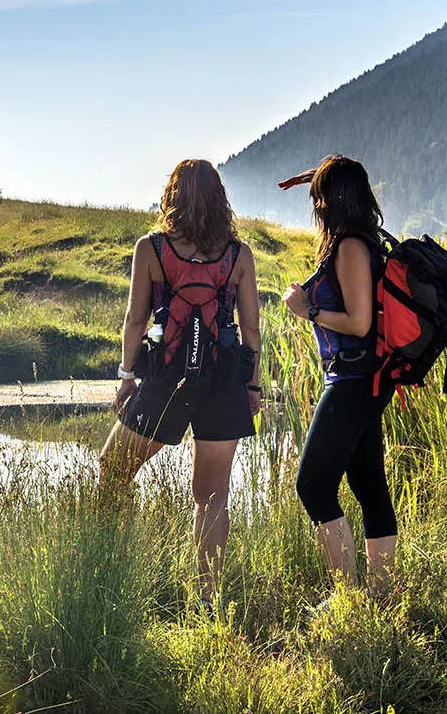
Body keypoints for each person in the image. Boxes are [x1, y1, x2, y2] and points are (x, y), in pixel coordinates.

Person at [101, 159, 263, 609]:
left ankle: (111, 573)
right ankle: (207, 601)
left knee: (113, 471)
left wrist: (127, 376)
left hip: (165, 380)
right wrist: (252, 388)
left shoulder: (150, 249)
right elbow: (251, 330)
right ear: (220, 199)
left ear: (171, 196)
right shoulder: (239, 256)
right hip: (223, 383)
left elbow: (135, 319)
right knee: (212, 498)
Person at [279, 154, 395, 598]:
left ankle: (348, 597)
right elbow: (347, 174)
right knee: (369, 486)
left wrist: (306, 309)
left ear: (332, 201)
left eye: (319, 197)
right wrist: (317, 175)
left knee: (312, 486)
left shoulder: (349, 248)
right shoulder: (363, 239)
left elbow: (359, 323)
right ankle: (381, 596)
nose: (315, 206)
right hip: (365, 379)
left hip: (351, 381)